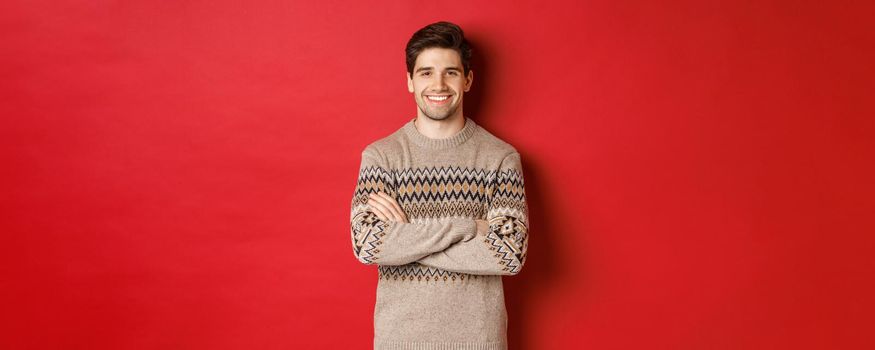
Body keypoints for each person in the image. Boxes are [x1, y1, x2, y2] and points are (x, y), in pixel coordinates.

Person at [350, 21, 529, 350]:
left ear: (468, 79)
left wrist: (407, 236)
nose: (439, 84)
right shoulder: (381, 157)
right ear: (409, 81)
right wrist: (470, 227)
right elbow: (368, 247)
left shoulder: (501, 158)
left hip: (480, 342)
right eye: (426, 72)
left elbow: (509, 254)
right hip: (400, 341)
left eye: (451, 72)